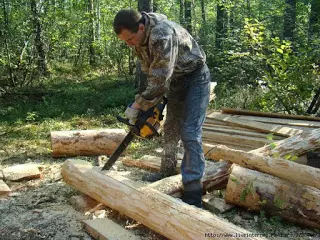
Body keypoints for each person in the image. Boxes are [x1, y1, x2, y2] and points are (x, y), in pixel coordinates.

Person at [113, 9, 211, 208]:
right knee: (171, 129)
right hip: (174, 81)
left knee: (190, 132)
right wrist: (149, 104)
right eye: (125, 41)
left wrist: (138, 103)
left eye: (130, 39)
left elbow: (159, 81)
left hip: (195, 77)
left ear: (141, 27)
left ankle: (193, 191)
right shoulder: (139, 40)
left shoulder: (161, 34)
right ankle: (166, 170)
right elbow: (152, 74)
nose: (129, 44)